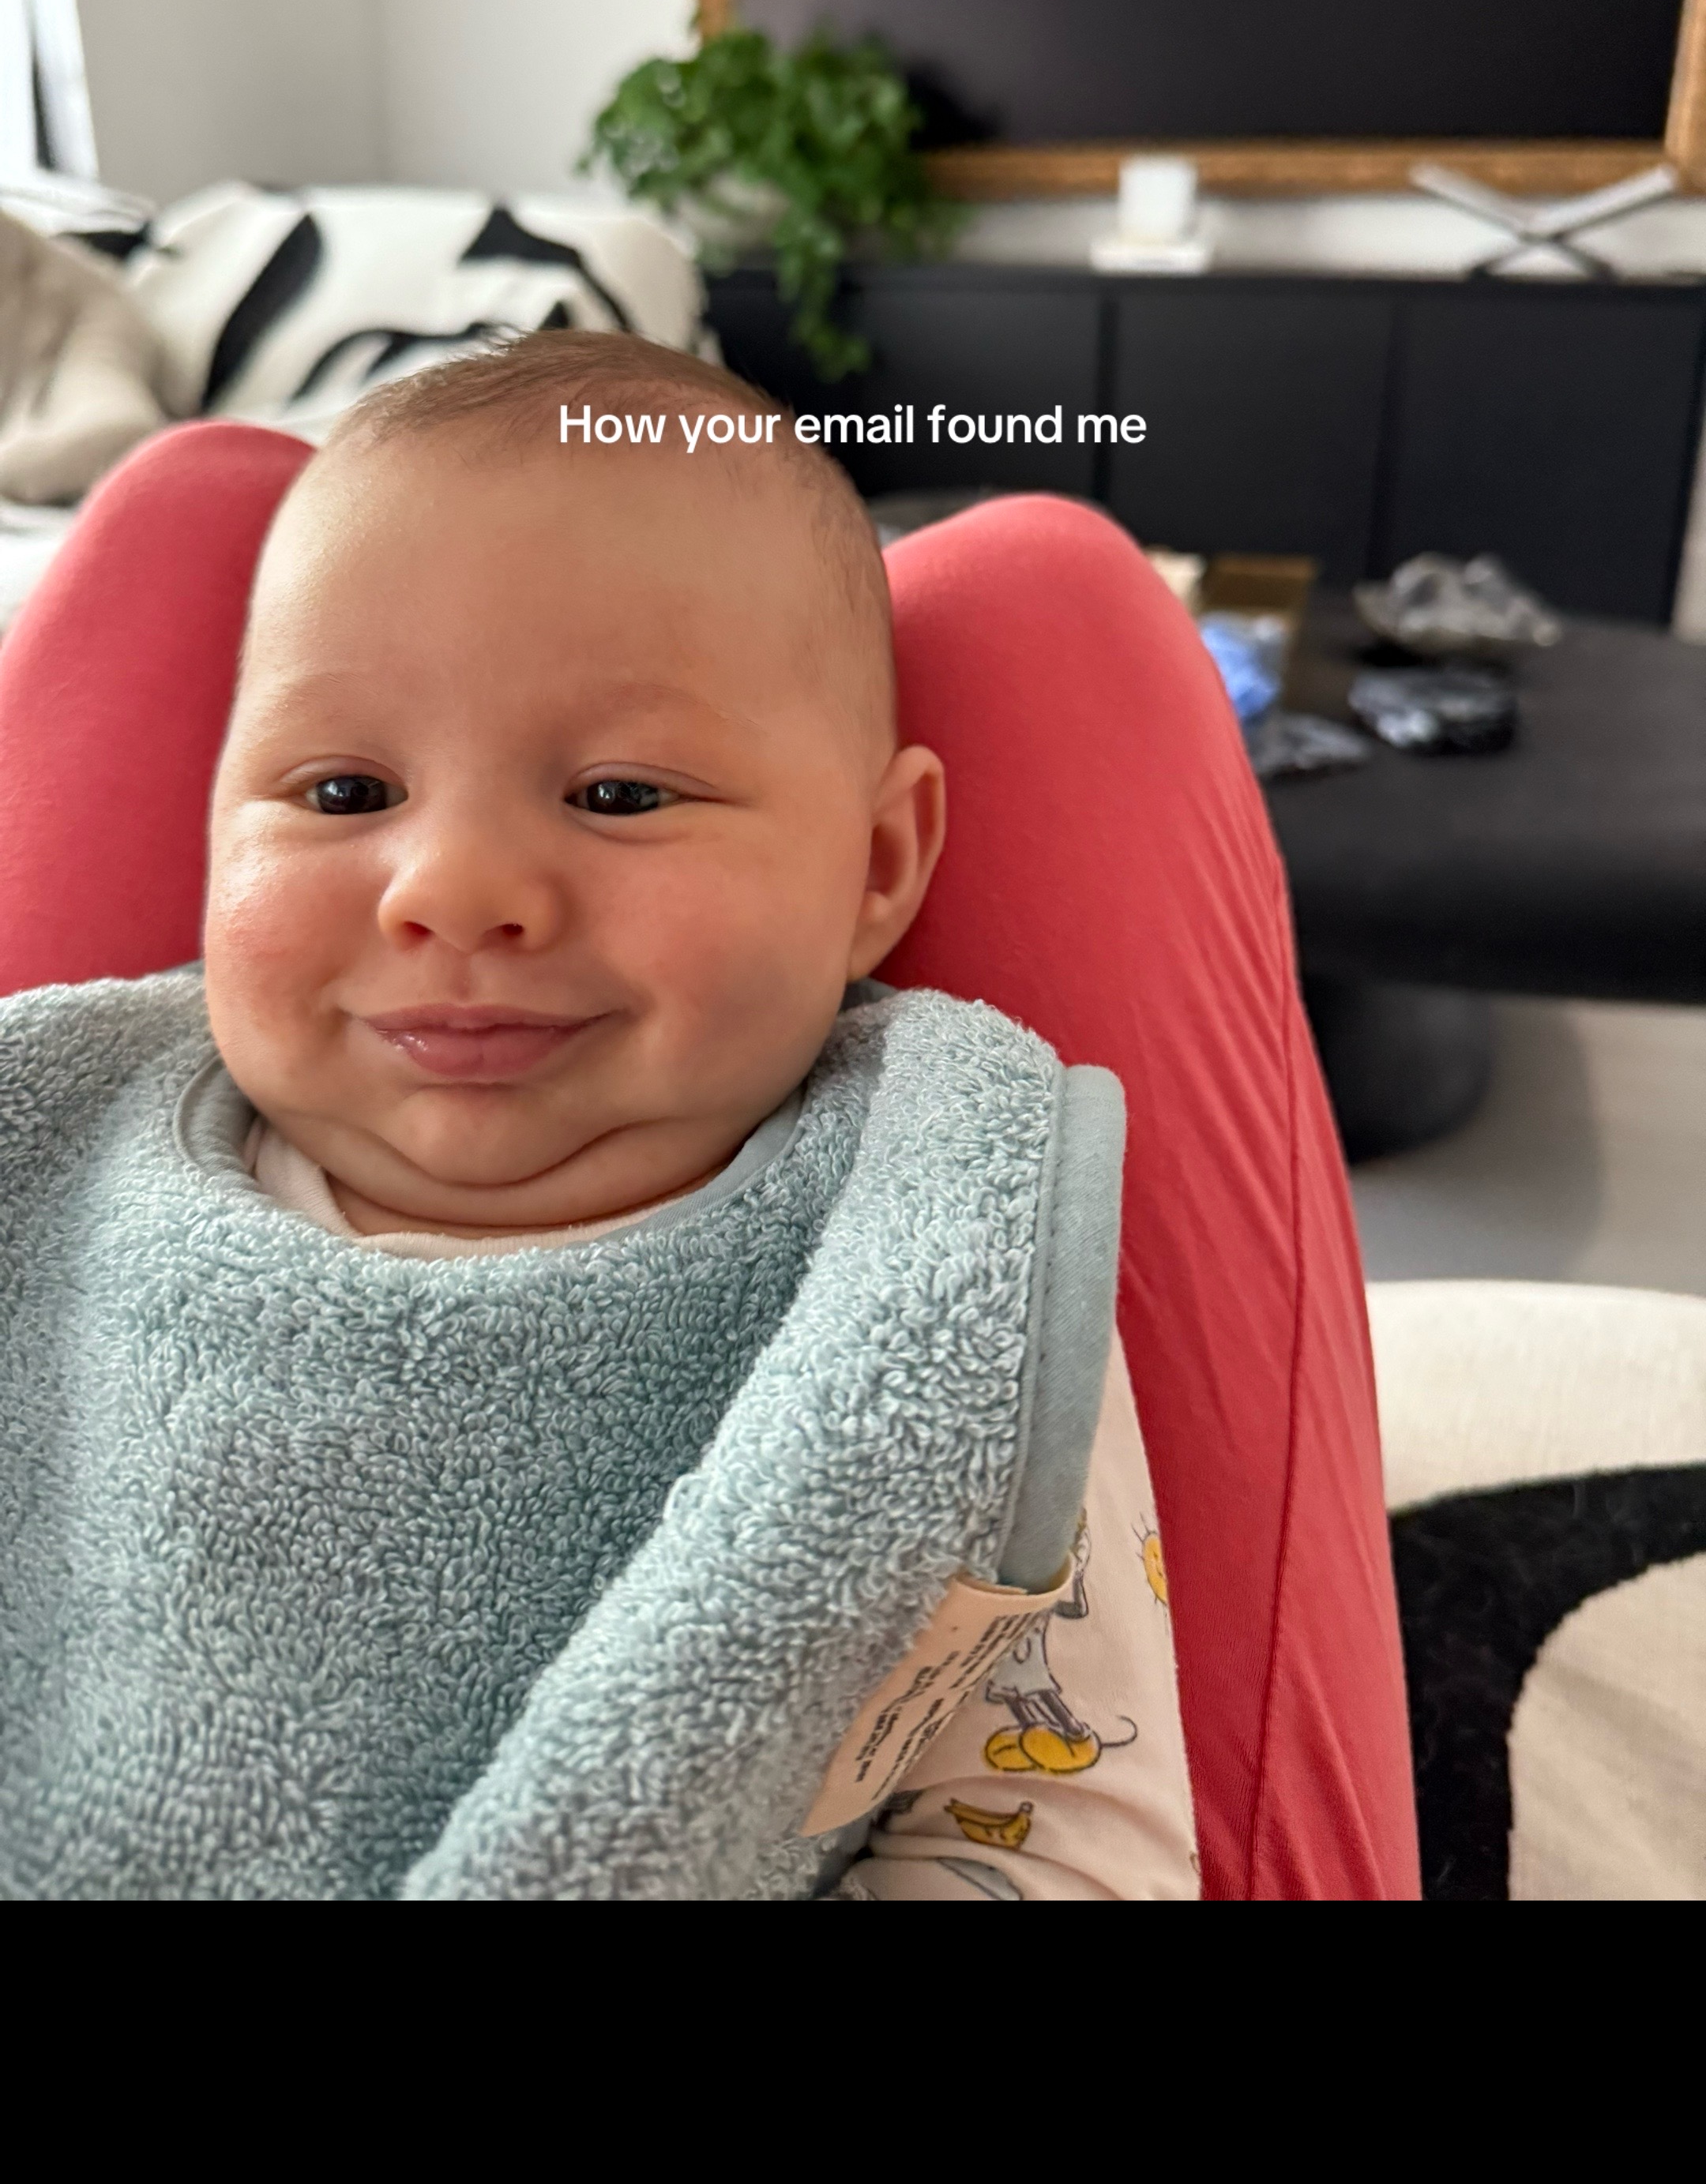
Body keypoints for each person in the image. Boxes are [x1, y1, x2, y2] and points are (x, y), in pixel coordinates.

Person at [0, 332, 1419, 1900]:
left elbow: (1061, 1825)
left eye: (618, 794)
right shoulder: (51, 1154)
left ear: (880, 865)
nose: (449, 889)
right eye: (344, 795)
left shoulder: (938, 1270)